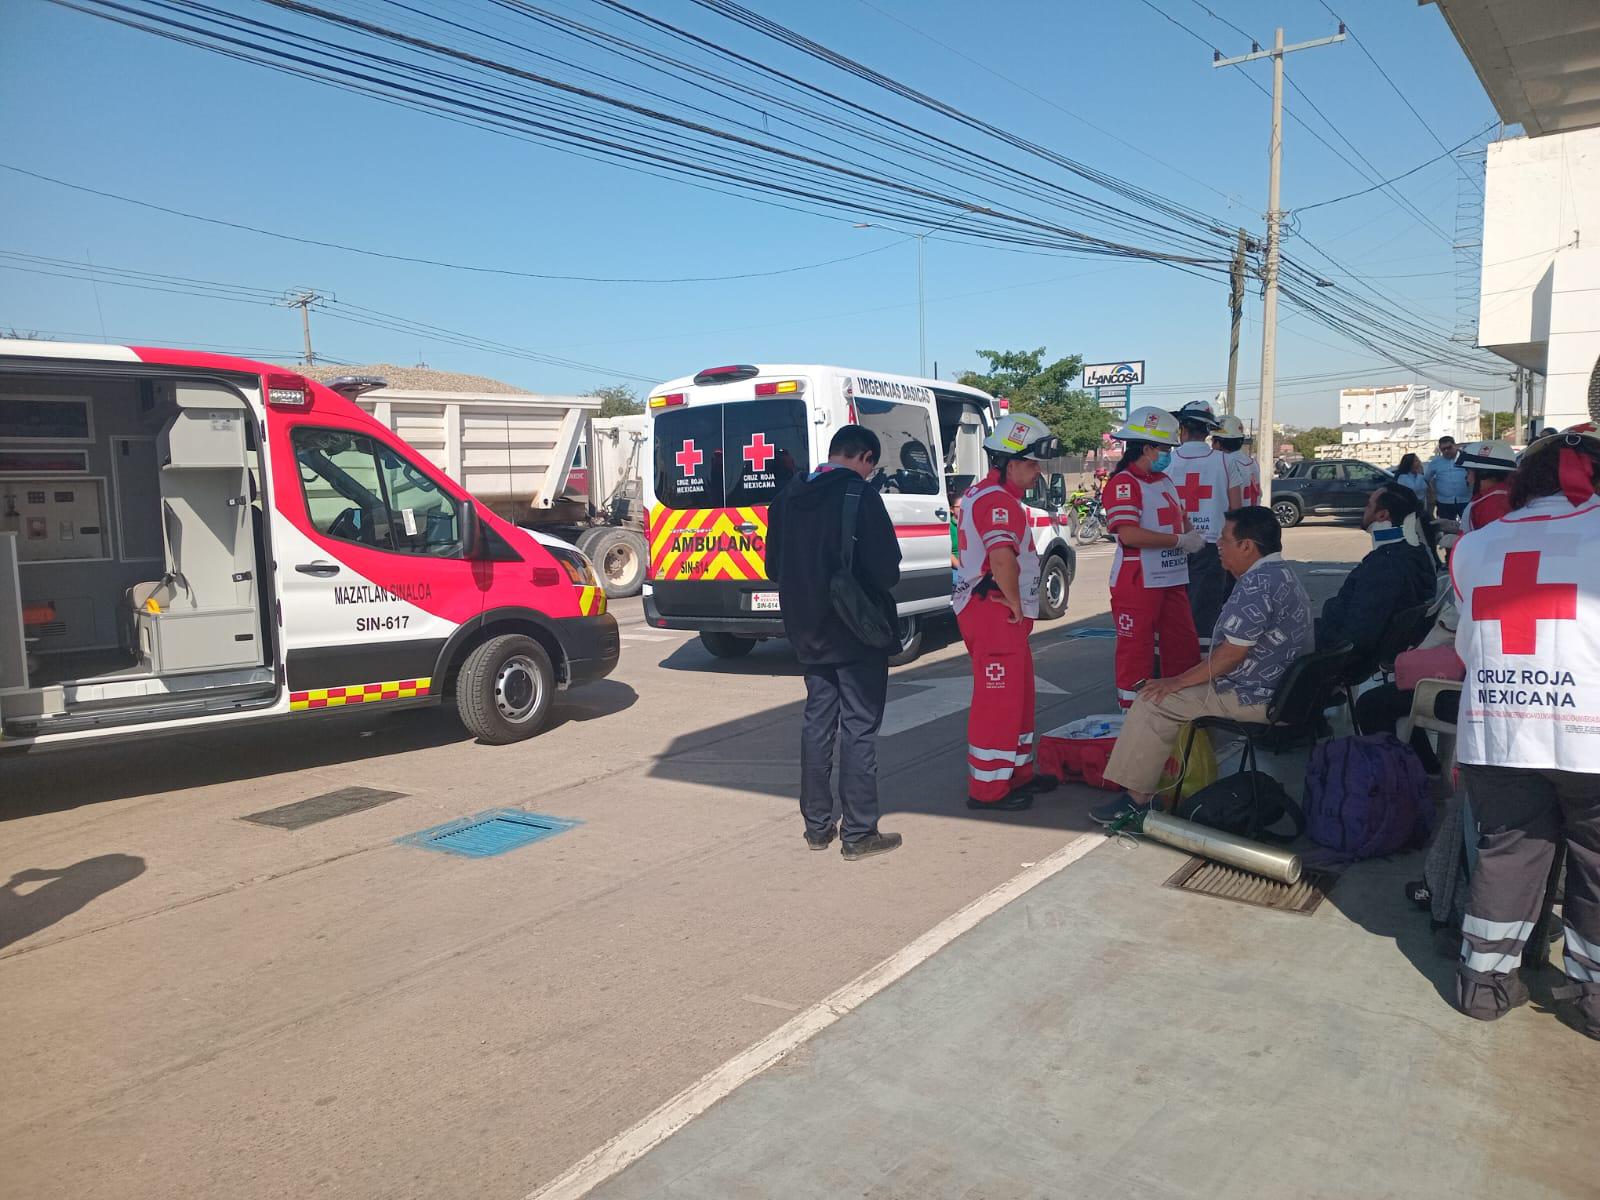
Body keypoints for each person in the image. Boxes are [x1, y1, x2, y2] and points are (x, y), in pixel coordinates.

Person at [1451, 422, 1600, 1039]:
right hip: (1589, 738)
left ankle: (1484, 985)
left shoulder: (1475, 546)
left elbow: (1466, 644)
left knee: (1507, 852)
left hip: (1497, 733)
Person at [1094, 506, 1314, 823]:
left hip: (1256, 695)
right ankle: (1173, 778)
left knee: (1155, 700)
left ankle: (1135, 800)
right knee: (1173, 685)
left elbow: (1231, 655)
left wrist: (1178, 682)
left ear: (1247, 546)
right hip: (1278, 690)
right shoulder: (1281, 574)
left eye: (1225, 539)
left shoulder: (1258, 585)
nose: (1218, 546)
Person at [766, 425, 902, 860]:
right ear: (864, 457)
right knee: (859, 728)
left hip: (807, 630)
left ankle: (817, 828)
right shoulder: (860, 496)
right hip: (856, 631)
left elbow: (773, 566)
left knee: (817, 724)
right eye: (872, 466)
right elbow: (887, 572)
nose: (870, 474)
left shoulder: (788, 496)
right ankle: (859, 833)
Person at [954, 413, 1063, 812]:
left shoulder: (992, 497)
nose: (1038, 472)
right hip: (993, 612)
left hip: (995, 612)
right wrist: (1016, 602)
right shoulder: (998, 502)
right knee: (998, 703)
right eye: (1033, 463)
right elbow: (1001, 558)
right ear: (1009, 462)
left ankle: (1017, 774)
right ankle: (987, 790)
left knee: (1019, 698)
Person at [1104, 406, 1205, 710]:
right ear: (1146, 448)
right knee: (1136, 653)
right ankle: (1131, 718)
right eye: (1164, 449)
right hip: (1138, 580)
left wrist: (1190, 535)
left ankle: (1180, 711)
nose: (1168, 455)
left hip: (1172, 577)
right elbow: (1129, 535)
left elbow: (1180, 518)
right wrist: (1179, 540)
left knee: (1183, 647)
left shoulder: (1163, 481)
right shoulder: (1123, 483)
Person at [1315, 484, 1437, 673]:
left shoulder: (1385, 564)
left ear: (1382, 515)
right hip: (1375, 648)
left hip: (1351, 657)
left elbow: (1359, 634)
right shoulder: (1418, 554)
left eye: (1369, 505)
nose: (1365, 508)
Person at [1169, 399, 1243, 646]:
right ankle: (1201, 669)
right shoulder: (1226, 461)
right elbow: (1236, 510)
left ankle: (1172, 664)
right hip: (1210, 547)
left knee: (1173, 609)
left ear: (1182, 429)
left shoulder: (1167, 461)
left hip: (1173, 544)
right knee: (1204, 613)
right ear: (1209, 430)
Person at [1455, 439, 1517, 534]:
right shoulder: (1493, 497)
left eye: (1468, 472)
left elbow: (1491, 540)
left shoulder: (1494, 504)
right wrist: (1456, 527)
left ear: (1484, 474)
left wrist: (1457, 540)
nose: (1467, 479)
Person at [1211, 414, 1261, 505]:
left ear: (1217, 443)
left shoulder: (1226, 465)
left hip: (1236, 518)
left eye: (1212, 441)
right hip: (1252, 516)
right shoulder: (1252, 463)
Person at [1424, 435, 1470, 520]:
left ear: (1455, 445)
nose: (1446, 451)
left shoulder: (1466, 458)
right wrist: (1432, 492)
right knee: (1447, 530)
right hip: (1444, 502)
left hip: (1465, 500)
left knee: (1468, 527)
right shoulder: (1436, 462)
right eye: (1443, 449)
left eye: (1449, 448)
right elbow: (1426, 479)